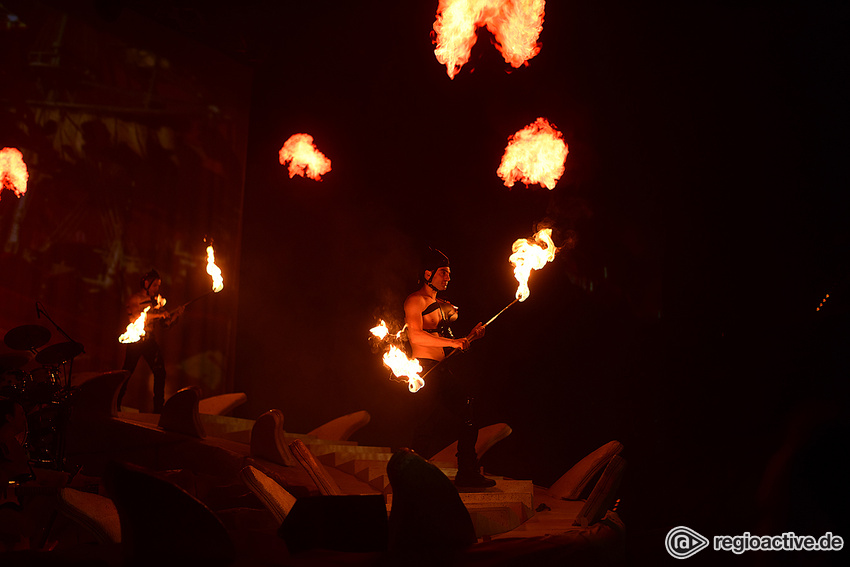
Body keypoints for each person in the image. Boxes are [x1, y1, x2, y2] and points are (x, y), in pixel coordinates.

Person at [403, 247, 494, 489]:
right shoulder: (415, 301)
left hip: (442, 370)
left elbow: (452, 344)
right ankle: (413, 477)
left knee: (467, 411)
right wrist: (454, 341)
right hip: (424, 370)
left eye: (449, 273)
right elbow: (416, 336)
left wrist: (471, 337)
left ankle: (467, 471)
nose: (448, 277)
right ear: (428, 273)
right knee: (426, 423)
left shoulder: (444, 304)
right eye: (443, 272)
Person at [118, 270, 183, 413]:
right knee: (127, 372)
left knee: (160, 372)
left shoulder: (155, 303)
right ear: (146, 284)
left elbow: (164, 325)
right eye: (155, 286)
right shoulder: (134, 299)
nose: (157, 289)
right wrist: (160, 314)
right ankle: (115, 402)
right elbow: (138, 317)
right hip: (135, 341)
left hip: (149, 341)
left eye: (158, 286)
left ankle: (158, 409)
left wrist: (175, 316)